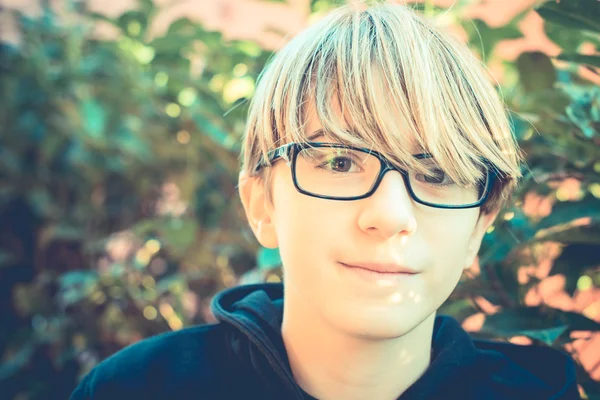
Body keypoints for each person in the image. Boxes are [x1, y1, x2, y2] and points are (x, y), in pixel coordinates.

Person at [70, 2, 581, 399]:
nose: (390, 215)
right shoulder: (131, 392)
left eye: (437, 171)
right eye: (339, 161)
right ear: (261, 205)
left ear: (478, 224)